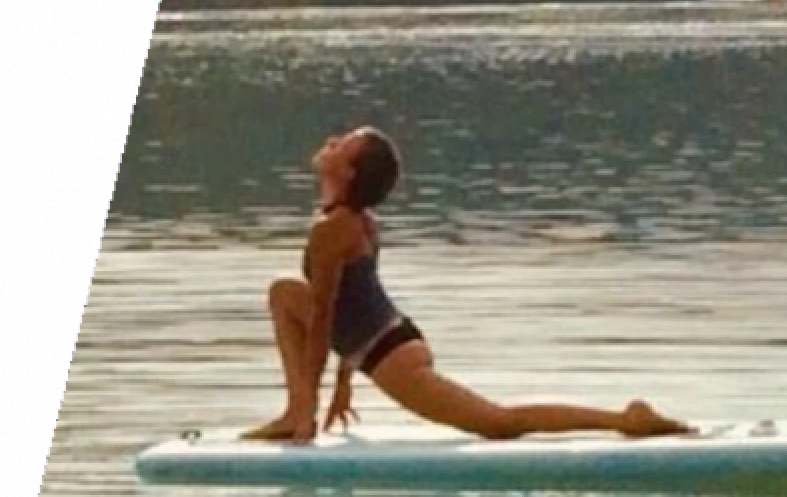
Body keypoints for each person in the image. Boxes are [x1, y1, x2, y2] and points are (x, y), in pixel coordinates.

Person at [243, 126, 691, 444]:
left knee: (500, 424)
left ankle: (626, 419)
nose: (330, 142)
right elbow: (346, 304)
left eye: (342, 144)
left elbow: (326, 321)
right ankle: (295, 411)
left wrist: (324, 399)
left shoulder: (334, 230)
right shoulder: (352, 222)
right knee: (284, 293)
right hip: (390, 339)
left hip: (390, 356)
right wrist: (342, 381)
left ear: (350, 173)